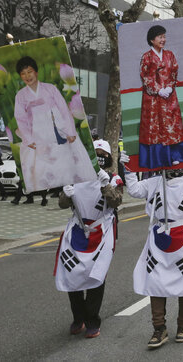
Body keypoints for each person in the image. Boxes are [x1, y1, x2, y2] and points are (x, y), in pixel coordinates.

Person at [123, 145, 183, 348]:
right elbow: (135, 190)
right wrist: (128, 169)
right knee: (155, 281)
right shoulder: (157, 181)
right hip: (159, 237)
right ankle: (159, 328)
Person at [55, 140, 123, 339]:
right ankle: (78, 318)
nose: (98, 156)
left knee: (96, 276)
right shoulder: (74, 177)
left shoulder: (113, 178)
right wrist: (65, 195)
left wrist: (106, 186)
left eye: (102, 153)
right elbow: (61, 204)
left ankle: (92, 319)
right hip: (77, 230)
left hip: (101, 232)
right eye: (95, 153)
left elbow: (116, 201)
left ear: (108, 157)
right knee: (71, 274)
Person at [13, 56, 96, 191]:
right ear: (20, 76)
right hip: (37, 135)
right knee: (42, 167)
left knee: (68, 162)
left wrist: (70, 131)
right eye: (23, 73)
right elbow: (21, 119)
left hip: (58, 129)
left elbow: (64, 109)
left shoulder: (50, 89)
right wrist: (28, 139)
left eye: (30, 71)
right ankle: (53, 191)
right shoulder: (20, 96)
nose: (27, 76)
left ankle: (71, 189)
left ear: (36, 72)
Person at [138, 25, 183, 169]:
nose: (163, 40)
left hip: (169, 96)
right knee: (154, 127)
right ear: (152, 39)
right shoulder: (147, 57)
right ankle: (157, 158)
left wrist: (169, 87)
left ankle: (175, 155)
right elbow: (145, 76)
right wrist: (157, 89)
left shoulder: (170, 55)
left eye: (164, 37)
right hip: (153, 99)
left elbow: (174, 71)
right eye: (160, 37)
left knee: (172, 124)